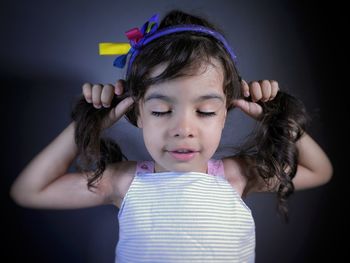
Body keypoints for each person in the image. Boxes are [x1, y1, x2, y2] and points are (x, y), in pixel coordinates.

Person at [10, 10, 332, 262]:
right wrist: (90, 124)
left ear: (225, 113)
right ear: (135, 113)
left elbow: (319, 170)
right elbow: (30, 191)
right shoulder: (124, 182)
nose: (183, 129)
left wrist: (277, 118)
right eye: (162, 111)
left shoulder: (235, 177)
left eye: (204, 111)